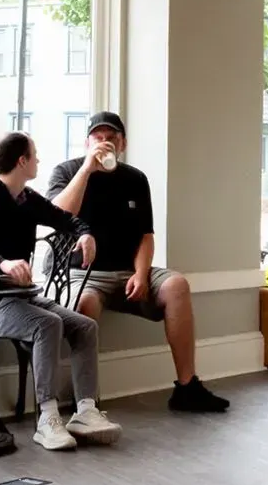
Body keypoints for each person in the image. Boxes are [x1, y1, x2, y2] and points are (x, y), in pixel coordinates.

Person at [47, 112, 230, 413]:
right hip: (81, 272)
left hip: (128, 271)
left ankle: (187, 388)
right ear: (87, 142)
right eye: (98, 137)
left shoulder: (135, 179)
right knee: (86, 306)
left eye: (111, 138)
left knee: (177, 285)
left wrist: (142, 274)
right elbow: (56, 216)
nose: (104, 142)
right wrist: (86, 170)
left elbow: (146, 235)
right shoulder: (67, 172)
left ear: (123, 144)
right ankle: (85, 400)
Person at [0, 132, 121, 451]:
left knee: (84, 326)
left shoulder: (27, 200)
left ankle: (85, 411)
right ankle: (47, 418)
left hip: (22, 298)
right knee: (47, 324)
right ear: (22, 161)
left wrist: (85, 234)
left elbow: (64, 219)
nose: (38, 160)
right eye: (34, 155)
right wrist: (1, 263)